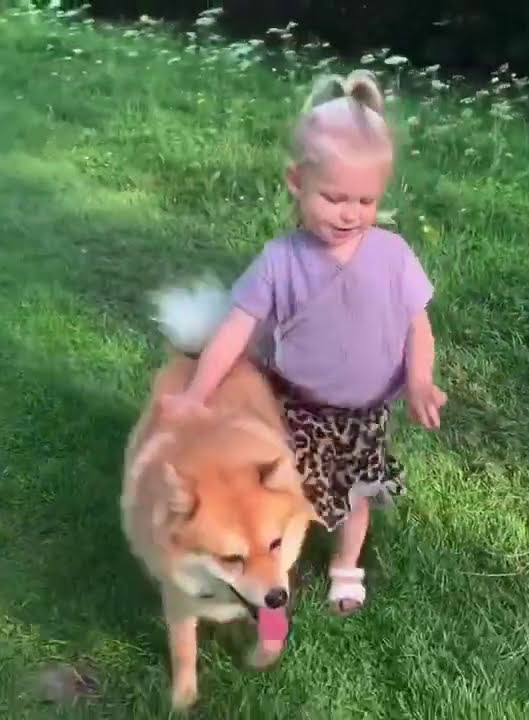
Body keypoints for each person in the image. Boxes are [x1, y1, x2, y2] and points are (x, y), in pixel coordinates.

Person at [159, 69, 447, 615]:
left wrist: (419, 380)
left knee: (357, 493)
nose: (350, 213)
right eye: (335, 197)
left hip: (364, 414)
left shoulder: (392, 254)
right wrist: (197, 393)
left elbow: (418, 324)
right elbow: (235, 329)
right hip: (295, 407)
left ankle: (345, 565)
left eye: (365, 201)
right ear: (297, 181)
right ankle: (270, 562)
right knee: (284, 492)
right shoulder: (281, 260)